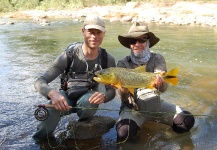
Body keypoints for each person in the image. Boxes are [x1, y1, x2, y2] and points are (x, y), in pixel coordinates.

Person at [33, 15, 116, 143]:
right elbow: (40, 81)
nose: (94, 36)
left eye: (98, 32)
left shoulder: (107, 60)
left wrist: (104, 97)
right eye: (90, 32)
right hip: (66, 97)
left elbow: (112, 90)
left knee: (89, 102)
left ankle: (81, 128)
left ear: (104, 33)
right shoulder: (69, 55)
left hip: (87, 101)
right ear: (83, 31)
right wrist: (52, 93)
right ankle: (39, 142)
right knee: (51, 111)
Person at [116, 22, 195, 142]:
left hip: (156, 105)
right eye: (133, 41)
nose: (137, 44)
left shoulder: (157, 59)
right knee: (124, 133)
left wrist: (161, 82)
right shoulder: (122, 64)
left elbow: (163, 89)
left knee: (186, 121)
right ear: (129, 44)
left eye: (141, 40)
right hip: (133, 108)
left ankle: (169, 140)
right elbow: (122, 98)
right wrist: (123, 89)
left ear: (148, 41)